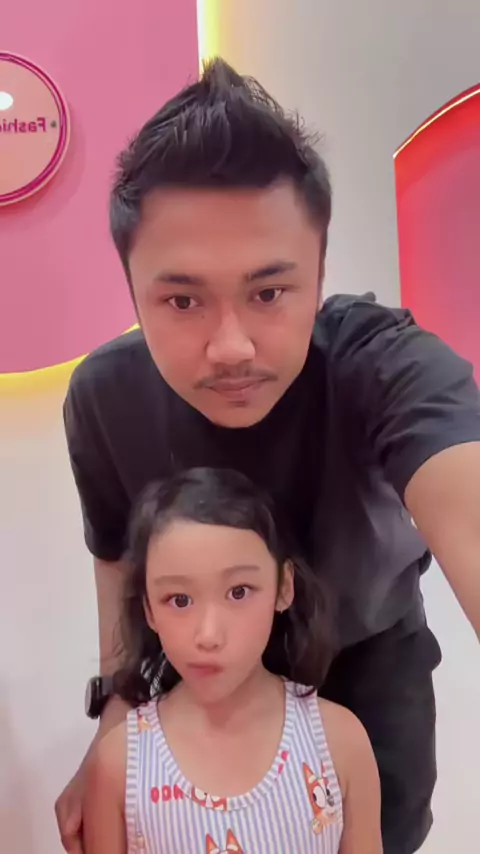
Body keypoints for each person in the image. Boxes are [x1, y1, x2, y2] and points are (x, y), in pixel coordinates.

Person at [58, 58, 480, 854]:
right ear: (132, 288)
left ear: (319, 274)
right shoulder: (104, 399)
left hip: (367, 667)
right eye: (183, 299)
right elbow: (117, 560)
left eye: (269, 292)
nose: (231, 346)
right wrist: (117, 706)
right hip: (195, 674)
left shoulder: (386, 366)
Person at [83, 467, 382, 854]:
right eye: (179, 600)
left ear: (284, 587)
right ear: (149, 610)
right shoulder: (119, 765)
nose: (208, 635)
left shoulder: (340, 742)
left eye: (239, 592)